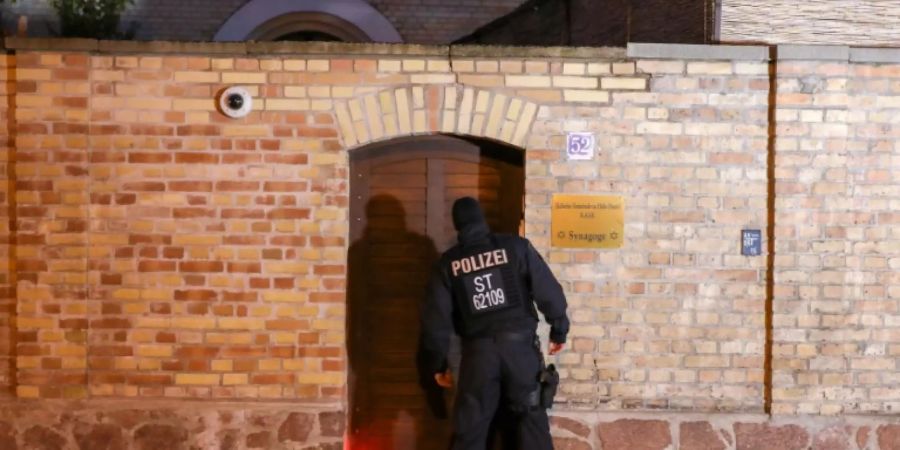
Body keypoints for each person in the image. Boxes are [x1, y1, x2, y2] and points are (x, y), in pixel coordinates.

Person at [418, 197, 570, 450]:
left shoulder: (448, 264)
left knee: (471, 430)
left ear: (458, 225)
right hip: (520, 351)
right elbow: (548, 291)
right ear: (482, 219)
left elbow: (436, 322)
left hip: (478, 356)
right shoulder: (515, 247)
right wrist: (559, 329)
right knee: (531, 422)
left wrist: (438, 364)